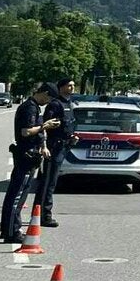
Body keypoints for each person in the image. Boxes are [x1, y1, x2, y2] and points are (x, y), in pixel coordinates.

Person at [0, 84, 61, 243]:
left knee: (18, 194)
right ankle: (12, 231)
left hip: (31, 155)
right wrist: (44, 126)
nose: (47, 103)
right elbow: (26, 131)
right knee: (17, 195)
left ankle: (8, 228)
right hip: (26, 155)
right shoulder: (29, 108)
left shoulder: (34, 107)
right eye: (49, 99)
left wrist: (43, 144)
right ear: (45, 93)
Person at [35, 77, 79, 227]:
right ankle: (44, 215)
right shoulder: (55, 104)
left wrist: (73, 136)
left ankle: (39, 213)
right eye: (69, 86)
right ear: (61, 88)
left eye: (73, 85)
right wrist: (44, 145)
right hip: (54, 147)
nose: (72, 88)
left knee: (51, 182)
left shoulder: (69, 104)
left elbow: (68, 125)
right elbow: (44, 127)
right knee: (48, 182)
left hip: (64, 146)